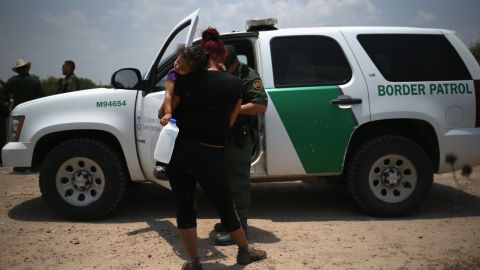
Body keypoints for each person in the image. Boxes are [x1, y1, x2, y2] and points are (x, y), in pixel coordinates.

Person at [167, 28, 267, 270]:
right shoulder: (234, 84)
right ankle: (244, 251)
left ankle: (194, 263)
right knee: (224, 204)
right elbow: (229, 123)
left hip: (181, 153)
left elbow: (166, 113)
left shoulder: (183, 80)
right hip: (212, 153)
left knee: (185, 206)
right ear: (221, 57)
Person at [213, 45, 268, 246]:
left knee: (237, 184)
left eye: (223, 67)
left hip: (239, 138)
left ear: (233, 63)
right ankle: (229, 222)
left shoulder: (247, 75)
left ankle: (240, 229)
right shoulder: (220, 72)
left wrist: (234, 111)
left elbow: (261, 105)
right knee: (224, 183)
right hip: (222, 137)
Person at [153, 46, 197, 180]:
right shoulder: (173, 73)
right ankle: (161, 164)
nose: (178, 67)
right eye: (177, 62)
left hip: (188, 114)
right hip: (174, 113)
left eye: (183, 68)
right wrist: (168, 112)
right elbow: (168, 93)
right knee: (169, 138)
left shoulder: (195, 77)